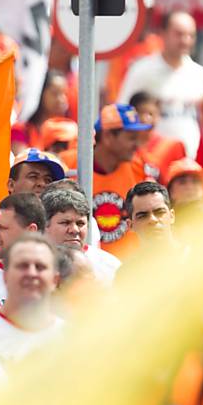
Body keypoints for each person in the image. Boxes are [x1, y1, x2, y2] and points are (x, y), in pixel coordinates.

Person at [59, 104, 152, 257]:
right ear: (108, 136)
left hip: (127, 264)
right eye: (131, 138)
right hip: (79, 260)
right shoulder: (67, 164)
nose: (136, 145)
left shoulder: (137, 167)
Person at [119, 11, 203, 158]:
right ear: (163, 33)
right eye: (179, 34)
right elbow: (122, 110)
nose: (185, 40)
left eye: (191, 35)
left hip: (191, 161)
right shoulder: (141, 70)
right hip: (150, 159)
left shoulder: (202, 76)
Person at [0, 235, 65, 363]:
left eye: (40, 267)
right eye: (22, 266)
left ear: (55, 280)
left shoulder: (70, 337)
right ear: (5, 276)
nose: (31, 273)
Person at [41, 189, 121, 284]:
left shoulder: (110, 267)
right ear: (45, 225)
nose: (74, 230)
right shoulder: (29, 264)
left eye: (80, 223)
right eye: (65, 222)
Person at [130, 91, 186, 184]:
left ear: (159, 116)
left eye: (151, 114)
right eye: (141, 113)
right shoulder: (123, 146)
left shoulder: (173, 146)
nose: (146, 119)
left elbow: (181, 183)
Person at [14, 71, 72, 149]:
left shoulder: (69, 132)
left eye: (64, 93)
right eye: (55, 93)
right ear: (39, 93)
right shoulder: (21, 131)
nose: (61, 99)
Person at [125, 181, 178, 250]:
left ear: (172, 216)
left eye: (160, 212)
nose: (152, 219)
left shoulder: (192, 255)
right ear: (130, 225)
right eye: (142, 216)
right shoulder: (119, 257)